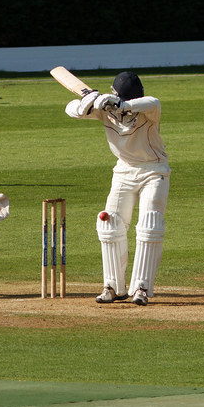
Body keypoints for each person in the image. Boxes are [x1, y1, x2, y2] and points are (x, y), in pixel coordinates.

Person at [65, 71, 170, 306]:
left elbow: (152, 102)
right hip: (123, 171)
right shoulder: (105, 109)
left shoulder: (148, 109)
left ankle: (141, 288)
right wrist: (86, 104)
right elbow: (69, 109)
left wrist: (121, 104)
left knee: (150, 224)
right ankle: (113, 287)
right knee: (109, 223)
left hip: (154, 170)